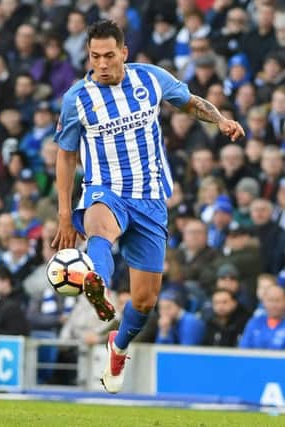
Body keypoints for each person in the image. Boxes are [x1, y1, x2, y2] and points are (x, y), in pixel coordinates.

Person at [51, 20, 245, 394]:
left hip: (151, 199)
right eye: (95, 57)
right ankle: (97, 282)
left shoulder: (151, 79)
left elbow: (190, 103)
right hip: (104, 189)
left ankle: (119, 346)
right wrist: (63, 212)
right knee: (99, 229)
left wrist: (220, 120)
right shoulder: (78, 98)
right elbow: (66, 155)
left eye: (109, 56)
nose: (102, 64)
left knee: (144, 300)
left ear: (124, 53)